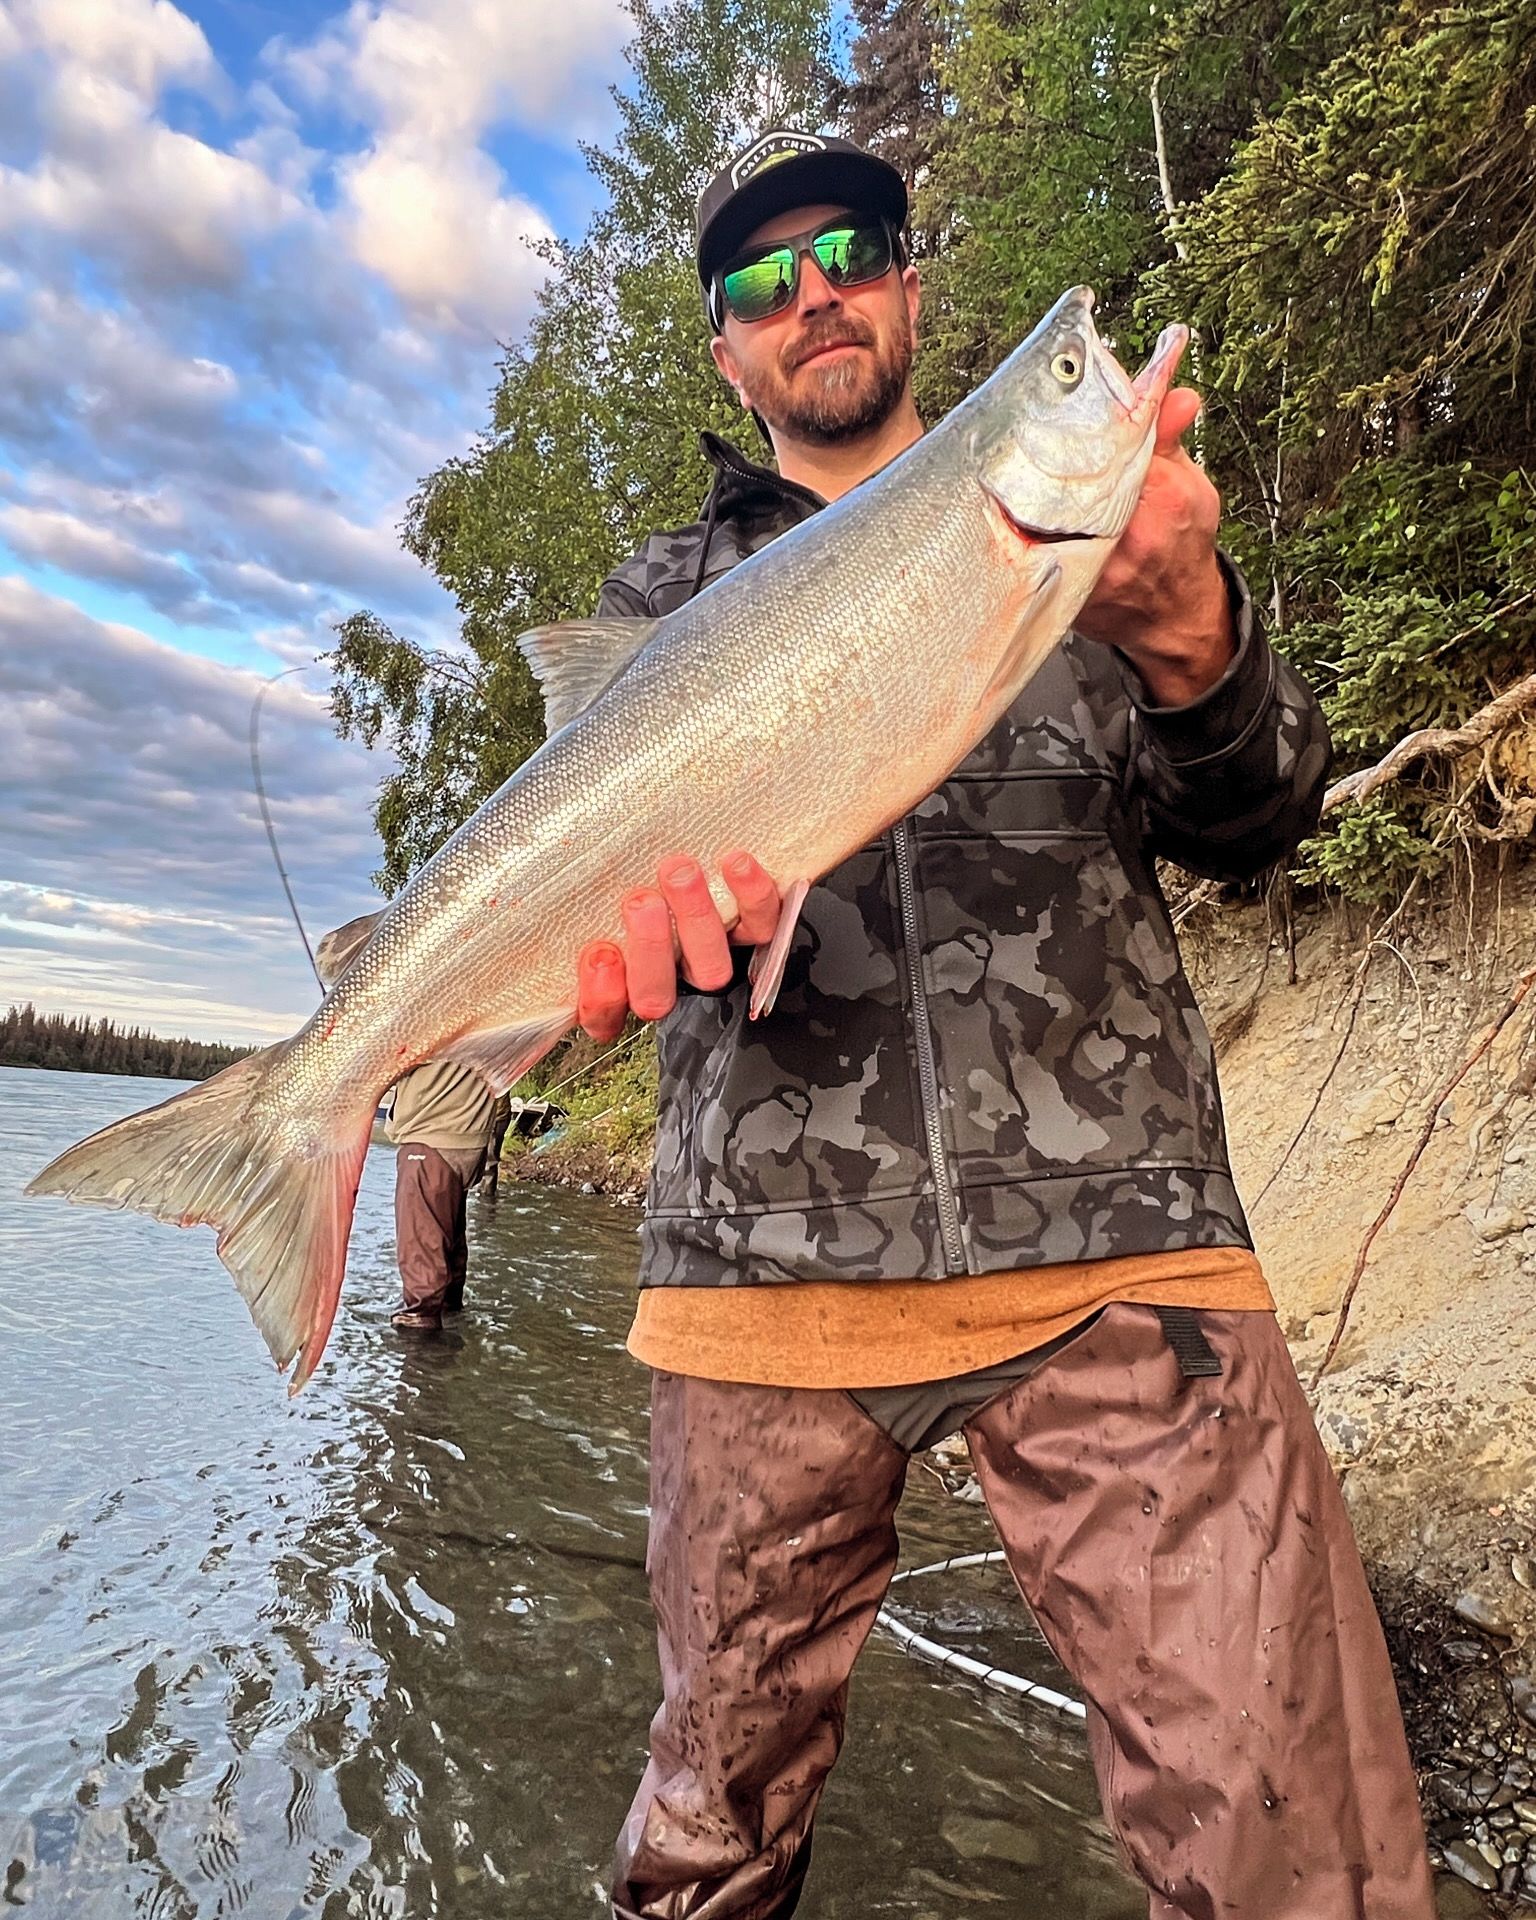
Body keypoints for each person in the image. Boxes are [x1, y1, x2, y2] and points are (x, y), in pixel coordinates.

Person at [568, 130, 1436, 1920]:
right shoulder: (667, 600)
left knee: (1304, 1853)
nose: (810, 293)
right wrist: (645, 954)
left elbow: (1262, 821)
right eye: (757, 281)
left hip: (1125, 1249)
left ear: (905, 282)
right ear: (724, 351)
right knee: (705, 1850)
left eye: (850, 251)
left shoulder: (1102, 529)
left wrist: (1192, 629)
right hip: (759, 1270)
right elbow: (655, 976)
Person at [315, 913, 499, 1332]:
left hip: (429, 1139)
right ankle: (450, 1331)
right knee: (447, 1249)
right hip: (467, 1140)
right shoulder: (475, 993)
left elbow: (380, 1064)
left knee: (422, 1260)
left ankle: (421, 1358)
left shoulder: (427, 1005)